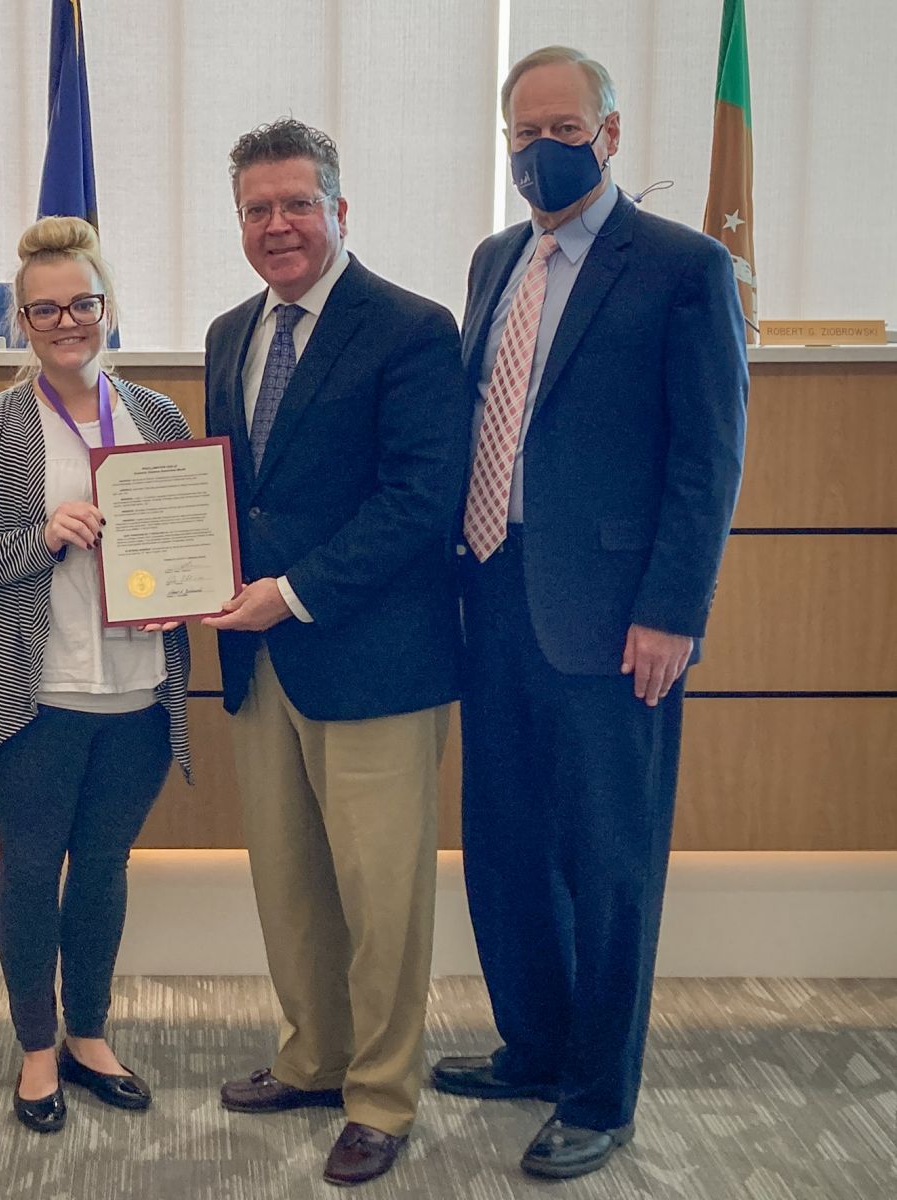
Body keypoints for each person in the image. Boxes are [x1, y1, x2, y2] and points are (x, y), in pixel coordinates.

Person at [431, 46, 747, 1180]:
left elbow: (705, 461)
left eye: (559, 127)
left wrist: (671, 610)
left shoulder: (679, 267)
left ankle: (599, 1092)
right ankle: (532, 1045)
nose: (536, 149)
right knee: (505, 849)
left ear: (607, 135)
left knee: (607, 862)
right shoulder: (490, 261)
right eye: (520, 131)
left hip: (614, 620)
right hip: (490, 593)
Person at [203, 119, 467, 1187]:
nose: (277, 226)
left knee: (380, 895)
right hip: (261, 663)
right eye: (257, 210)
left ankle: (381, 1094)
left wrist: (293, 594)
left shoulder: (408, 327)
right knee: (290, 882)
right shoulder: (230, 333)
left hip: (373, 660)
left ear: (338, 211)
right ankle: (312, 1056)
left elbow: (418, 500)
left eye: (295, 204)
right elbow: (234, 490)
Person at [0, 217, 192, 1135]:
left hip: (139, 692)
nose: (66, 321)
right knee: (33, 868)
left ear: (108, 307)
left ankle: (90, 1035)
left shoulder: (158, 417)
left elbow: (190, 548)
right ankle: (37, 1048)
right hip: (29, 696)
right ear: (22, 326)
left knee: (106, 868)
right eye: (45, 311)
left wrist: (182, 592)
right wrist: (38, 540)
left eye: (82, 303)